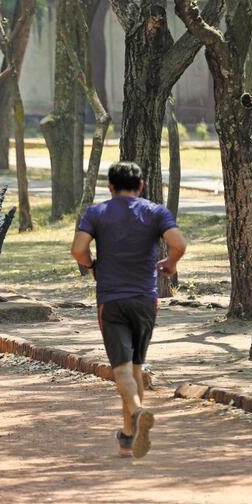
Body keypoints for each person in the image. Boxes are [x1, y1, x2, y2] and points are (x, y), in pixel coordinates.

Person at [71, 161, 186, 459]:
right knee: (135, 367)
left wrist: (91, 265)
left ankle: (136, 411)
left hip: (111, 300)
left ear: (110, 187)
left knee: (121, 368)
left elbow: (78, 250)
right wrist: (170, 265)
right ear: (142, 185)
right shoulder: (156, 212)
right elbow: (179, 243)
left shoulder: (97, 213)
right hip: (146, 300)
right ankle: (128, 438)